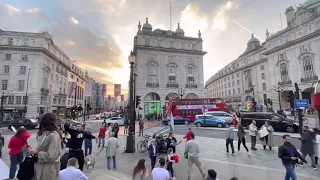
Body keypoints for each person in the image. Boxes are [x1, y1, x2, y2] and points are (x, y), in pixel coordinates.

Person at [27, 113, 62, 180]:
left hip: (47, 170)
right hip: (39, 167)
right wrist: (33, 151)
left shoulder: (54, 135)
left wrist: (36, 152)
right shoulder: (45, 133)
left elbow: (51, 156)